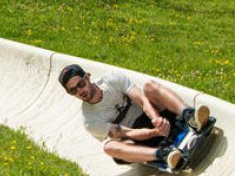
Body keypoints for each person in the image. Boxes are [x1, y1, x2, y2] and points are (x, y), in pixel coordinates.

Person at [58, 64, 210, 170]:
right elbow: (126, 133)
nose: (80, 91)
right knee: (109, 147)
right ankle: (163, 155)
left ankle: (189, 115)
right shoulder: (89, 119)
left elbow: (142, 99)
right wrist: (155, 132)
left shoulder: (112, 79)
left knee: (149, 87)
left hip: (154, 116)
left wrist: (156, 119)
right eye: (73, 91)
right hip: (139, 139)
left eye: (81, 84)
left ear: (88, 77)